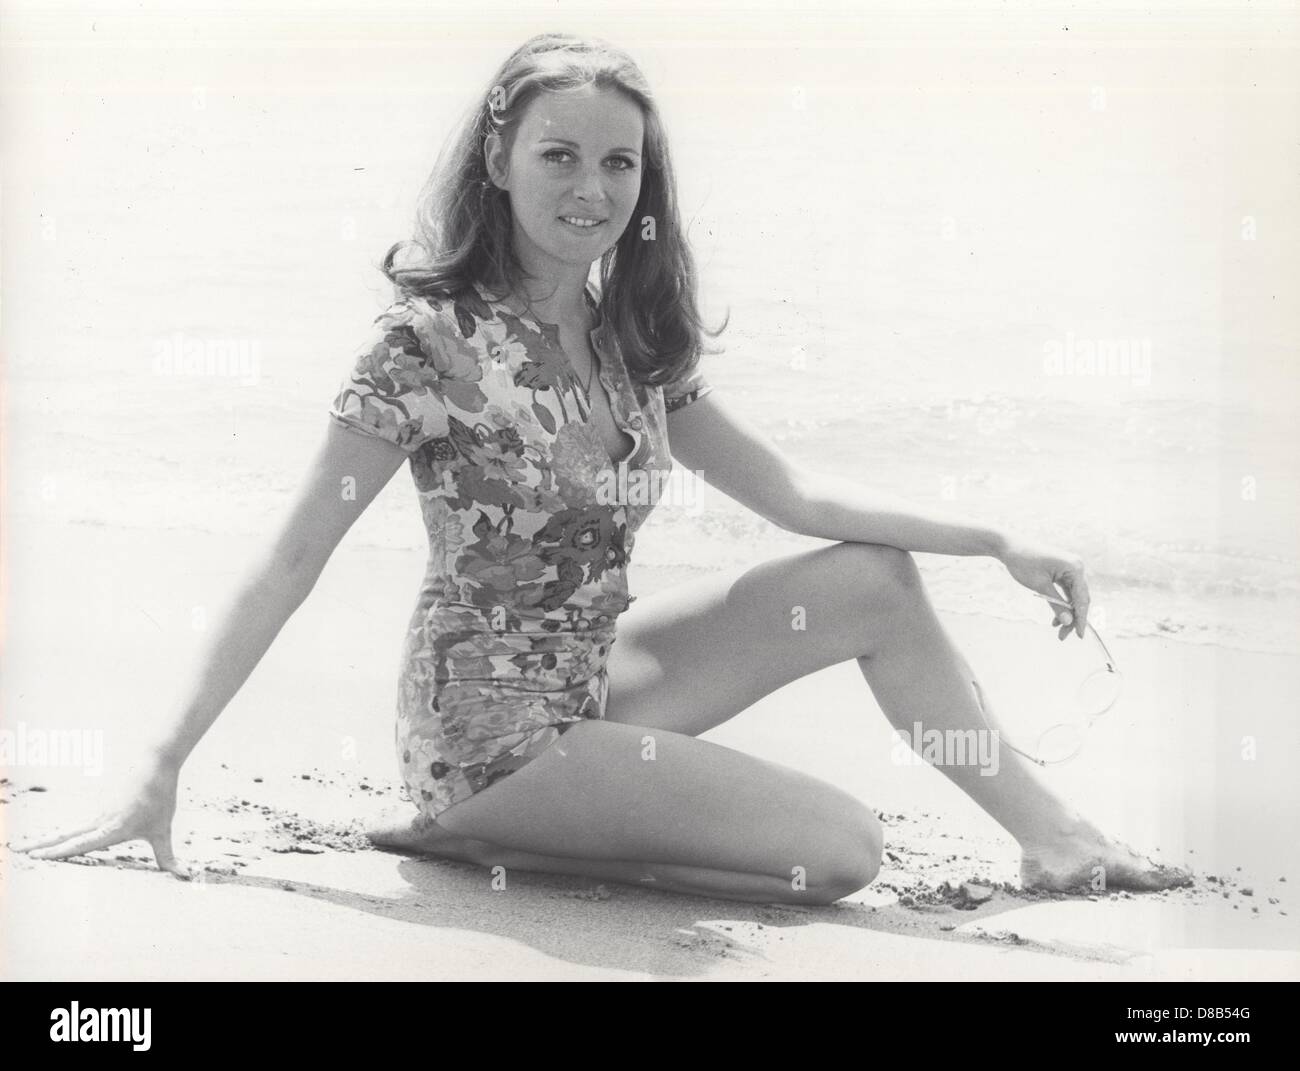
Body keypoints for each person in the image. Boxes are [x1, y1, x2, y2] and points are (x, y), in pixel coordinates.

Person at [16, 32, 1190, 906]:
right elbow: (290, 558)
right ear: (498, 159)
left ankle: (1056, 836)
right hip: (482, 732)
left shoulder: (632, 338)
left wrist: (996, 540)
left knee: (872, 580)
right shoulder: (424, 345)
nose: (591, 189)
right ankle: (481, 831)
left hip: (586, 684)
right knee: (840, 852)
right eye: (560, 155)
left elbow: (798, 500)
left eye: (618, 165)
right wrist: (158, 769)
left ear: (645, 184)